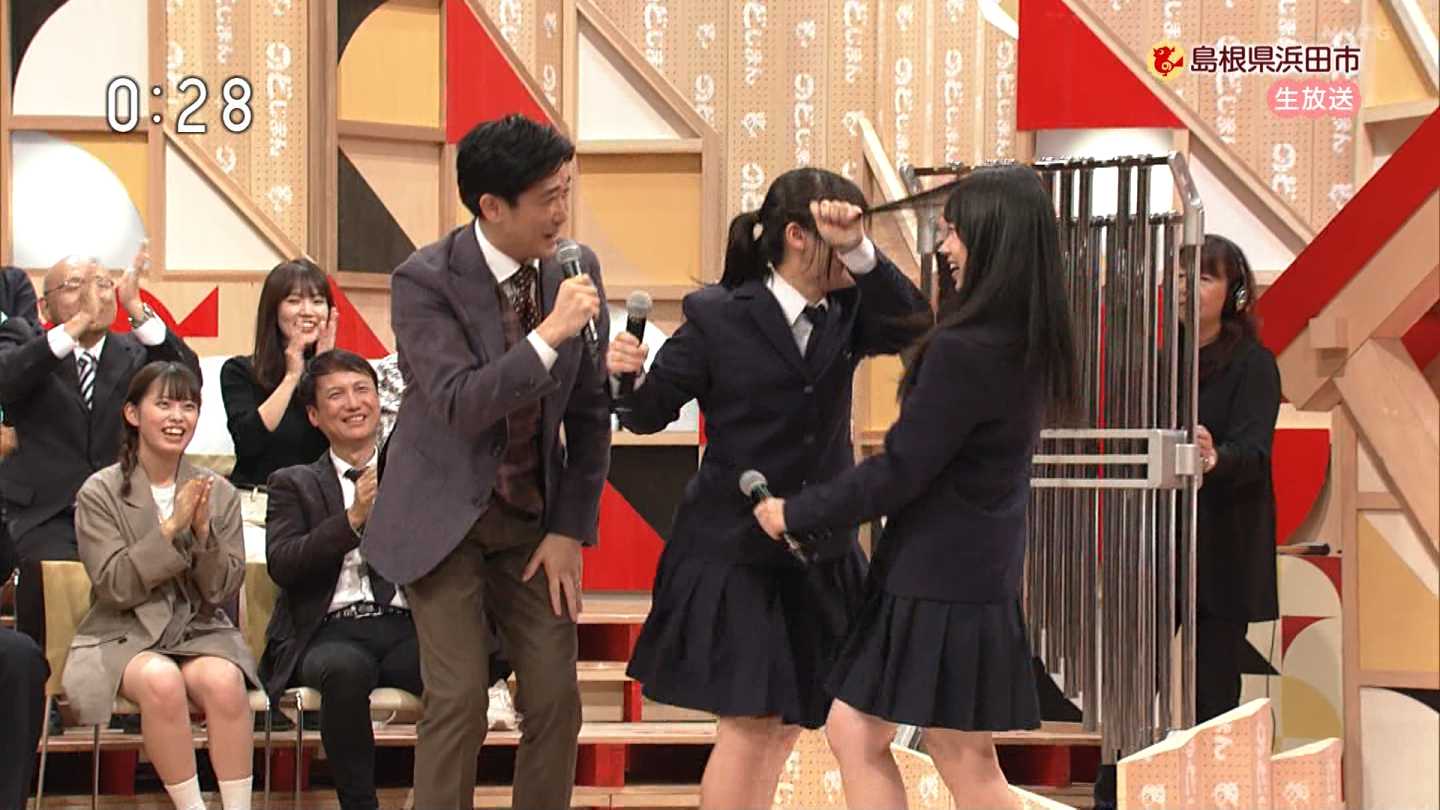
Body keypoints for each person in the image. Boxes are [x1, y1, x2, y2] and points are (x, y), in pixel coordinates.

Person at [753, 165, 1079, 810]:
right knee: (882, 736)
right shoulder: (1018, 339)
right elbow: (914, 326)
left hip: (939, 576)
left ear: (990, 239)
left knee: (944, 753)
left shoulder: (968, 349)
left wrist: (797, 510)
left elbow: (899, 471)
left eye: (953, 232)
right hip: (967, 569)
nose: (944, 247)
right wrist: (857, 249)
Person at [608, 167, 931, 809]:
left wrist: (862, 250)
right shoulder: (718, 315)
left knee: (787, 725)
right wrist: (626, 378)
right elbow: (646, 414)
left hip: (822, 550)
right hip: (735, 551)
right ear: (796, 236)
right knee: (750, 724)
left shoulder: (848, 311)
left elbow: (915, 323)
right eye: (838, 230)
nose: (849, 245)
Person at [362, 114, 611, 809]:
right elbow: (460, 403)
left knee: (556, 698)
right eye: (547, 198)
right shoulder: (424, 281)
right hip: (440, 520)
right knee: (460, 699)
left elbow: (591, 413)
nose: (561, 213)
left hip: (532, 520)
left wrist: (568, 529)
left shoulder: (574, 267)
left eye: (566, 192)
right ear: (492, 206)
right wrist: (550, 333)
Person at [66, 361, 257, 810]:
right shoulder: (100, 492)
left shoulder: (218, 491)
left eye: (188, 407)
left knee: (225, 681)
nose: (177, 417)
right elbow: (114, 586)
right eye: (165, 404)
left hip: (197, 629)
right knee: (161, 680)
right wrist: (171, 528)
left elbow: (220, 590)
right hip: (123, 629)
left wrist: (204, 534)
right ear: (133, 414)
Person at [0, 247, 199, 654]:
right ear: (44, 306)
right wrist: (76, 324)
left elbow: (187, 380)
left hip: (121, 508)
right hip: (46, 514)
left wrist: (136, 309)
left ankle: (132, 673)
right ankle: (44, 681)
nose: (94, 293)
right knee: (50, 582)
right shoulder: (25, 338)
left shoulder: (134, 351)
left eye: (103, 284)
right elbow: (7, 379)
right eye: (75, 285)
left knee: (150, 569)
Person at [259, 349, 423, 810]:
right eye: (336, 395)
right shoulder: (293, 483)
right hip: (329, 628)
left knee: (457, 673)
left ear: (378, 400)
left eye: (361, 390)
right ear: (314, 415)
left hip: (404, 623)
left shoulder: (415, 478)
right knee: (344, 672)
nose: (353, 403)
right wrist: (353, 519)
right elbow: (284, 563)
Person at [373, 350, 519, 731]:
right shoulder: (396, 382)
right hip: (424, 522)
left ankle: (492, 680)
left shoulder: (505, 365)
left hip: (488, 515)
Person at [1185, 234, 1281, 720]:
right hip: (1161, 548)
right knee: (1137, 685)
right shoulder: (1157, 360)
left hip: (1223, 545)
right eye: (1179, 275)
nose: (1186, 286)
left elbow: (1255, 452)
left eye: (1203, 277)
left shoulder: (1254, 364)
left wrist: (1214, 457)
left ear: (1234, 293)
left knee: (1214, 691)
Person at [221, 258, 336, 490]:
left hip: (321, 497)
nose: (307, 312)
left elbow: (346, 442)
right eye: (294, 301)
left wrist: (323, 370)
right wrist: (292, 377)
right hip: (260, 495)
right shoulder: (240, 371)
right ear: (274, 310)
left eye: (317, 301)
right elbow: (248, 443)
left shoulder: (342, 372)